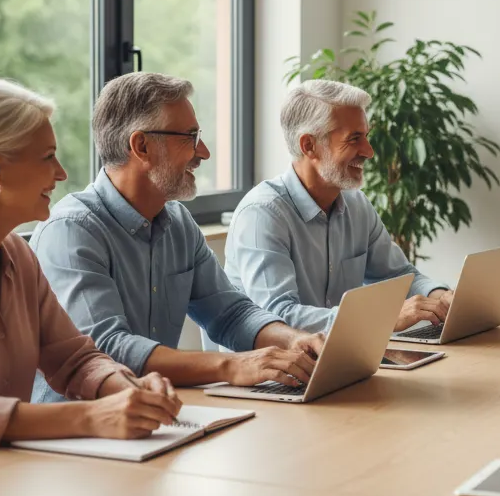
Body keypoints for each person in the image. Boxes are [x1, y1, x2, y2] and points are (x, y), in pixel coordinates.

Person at [31, 73, 321, 405]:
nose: (204, 152)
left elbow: (231, 314)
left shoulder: (178, 222)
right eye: (190, 137)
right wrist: (231, 365)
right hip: (80, 427)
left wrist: (293, 340)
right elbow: (107, 349)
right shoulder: (71, 231)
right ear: (141, 146)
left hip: (155, 416)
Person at [0, 79, 181, 448]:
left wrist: (129, 387)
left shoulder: (18, 255)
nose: (62, 173)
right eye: (47, 156)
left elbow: (74, 359)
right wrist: (92, 417)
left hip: (7, 475)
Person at [223, 80, 451, 334]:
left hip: (342, 353)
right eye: (354, 139)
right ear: (309, 146)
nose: (369, 152)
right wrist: (383, 318)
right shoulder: (262, 214)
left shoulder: (357, 205)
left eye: (366, 137)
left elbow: (400, 276)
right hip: (280, 360)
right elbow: (279, 316)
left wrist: (441, 297)